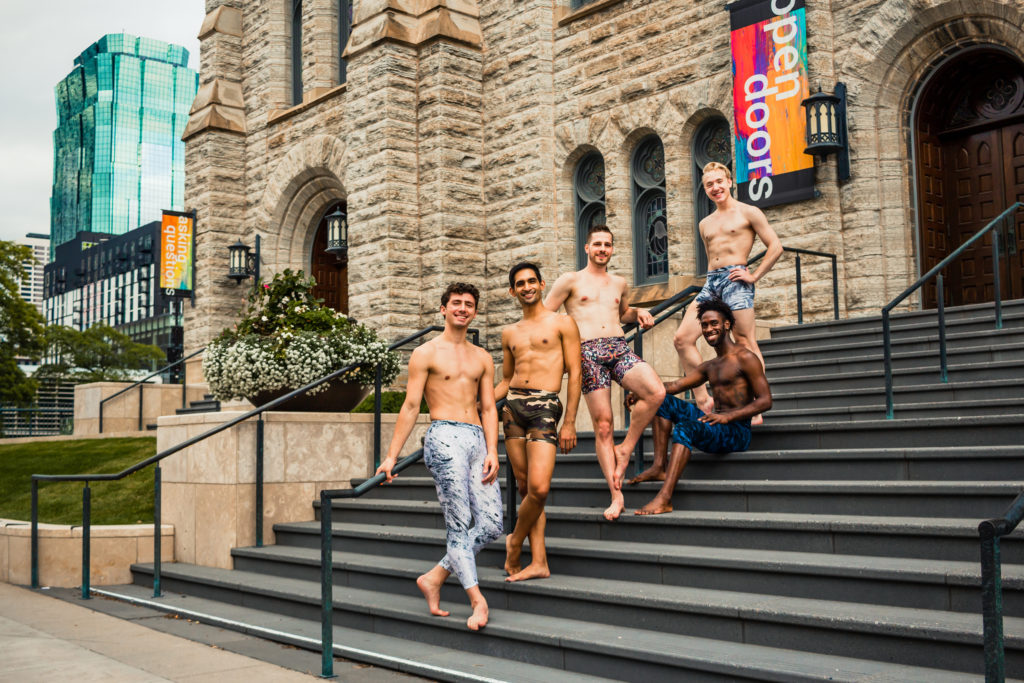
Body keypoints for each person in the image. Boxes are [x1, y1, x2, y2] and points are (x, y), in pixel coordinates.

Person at [376, 282, 502, 631]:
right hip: (444, 436)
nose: (463, 308)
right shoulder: (426, 353)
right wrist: (391, 457)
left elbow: (489, 407)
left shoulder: (482, 357)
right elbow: (411, 405)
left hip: (478, 439)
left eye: (469, 304)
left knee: (492, 525)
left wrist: (493, 448)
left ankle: (434, 577)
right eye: (456, 303)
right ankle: (478, 601)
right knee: (459, 523)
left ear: (474, 311)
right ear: (443, 309)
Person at [544, 225, 666, 521]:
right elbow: (546, 313)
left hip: (618, 347)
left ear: (612, 249)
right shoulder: (570, 280)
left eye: (607, 244)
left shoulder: (619, 282)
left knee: (656, 392)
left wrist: (637, 312)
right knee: (603, 425)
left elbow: (621, 313)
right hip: (587, 353)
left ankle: (625, 449)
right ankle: (616, 495)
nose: (602, 249)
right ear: (587, 248)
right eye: (597, 244)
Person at [631, 298, 772, 515]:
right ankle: (659, 466)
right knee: (661, 399)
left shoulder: (746, 358)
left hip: (737, 432)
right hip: (716, 424)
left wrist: (729, 417)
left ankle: (665, 498)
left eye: (714, 323)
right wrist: (642, 391)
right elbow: (675, 385)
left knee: (685, 428)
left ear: (727, 324)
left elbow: (765, 400)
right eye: (704, 325)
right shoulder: (710, 365)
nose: (708, 329)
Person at [673, 161, 782, 421]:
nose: (715, 187)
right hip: (712, 282)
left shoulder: (749, 212)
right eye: (709, 184)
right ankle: (703, 399)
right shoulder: (705, 223)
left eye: (719, 181)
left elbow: (775, 246)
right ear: (705, 189)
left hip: (737, 279)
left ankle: (756, 407)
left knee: (744, 341)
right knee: (682, 339)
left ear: (729, 181)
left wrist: (753, 275)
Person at [494, 261, 582, 582]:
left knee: (539, 489)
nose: (527, 287)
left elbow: (575, 373)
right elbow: (505, 381)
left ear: (542, 285)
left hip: (545, 406)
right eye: (520, 283)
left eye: (532, 281)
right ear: (512, 290)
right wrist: (477, 407)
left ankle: (515, 540)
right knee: (523, 485)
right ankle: (539, 561)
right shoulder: (509, 332)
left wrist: (569, 420)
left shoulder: (562, 323)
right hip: (513, 408)